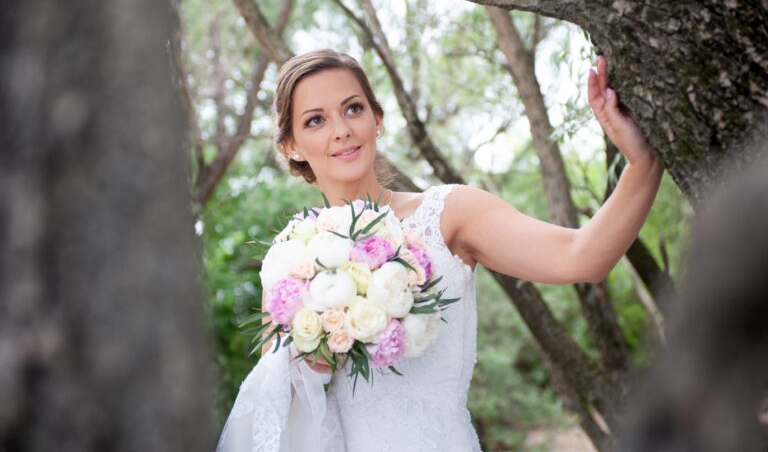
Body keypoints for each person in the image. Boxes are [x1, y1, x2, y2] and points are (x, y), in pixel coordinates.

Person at [216, 49, 665, 451]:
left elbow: (582, 257)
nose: (341, 130)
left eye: (353, 108)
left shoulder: (450, 213)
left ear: (377, 119)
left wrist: (643, 162)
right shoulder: (291, 258)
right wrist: (316, 356)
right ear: (291, 147)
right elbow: (278, 413)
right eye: (315, 120)